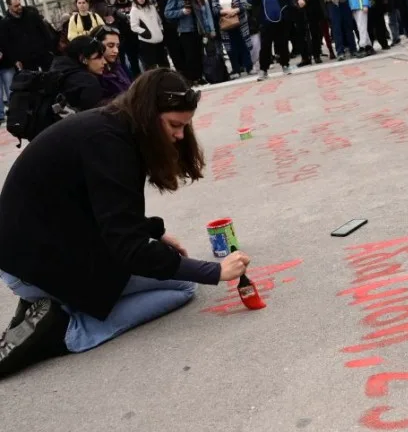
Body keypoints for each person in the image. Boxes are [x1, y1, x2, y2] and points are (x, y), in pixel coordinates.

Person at [0, 69, 252, 378]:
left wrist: (152, 234)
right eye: (175, 125)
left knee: (172, 275)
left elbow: (100, 208)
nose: (180, 136)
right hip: (35, 265)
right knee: (184, 286)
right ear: (149, 114)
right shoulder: (109, 142)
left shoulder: (113, 127)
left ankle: (47, 305)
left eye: (185, 126)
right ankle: (65, 329)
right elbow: (128, 248)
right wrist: (214, 271)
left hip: (37, 253)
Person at [247, 0, 292, 80]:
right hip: (264, 19)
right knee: (265, 45)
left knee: (282, 43)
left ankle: (285, 65)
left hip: (280, 16)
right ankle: (263, 70)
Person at [165, 0, 214, 86]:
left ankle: (199, 77)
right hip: (184, 31)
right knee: (190, 56)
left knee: (199, 54)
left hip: (197, 29)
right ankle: (192, 79)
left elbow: (201, 13)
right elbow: (167, 13)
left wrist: (207, 29)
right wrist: (181, 12)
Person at [211, 0, 254, 78]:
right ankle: (236, 70)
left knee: (243, 44)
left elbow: (245, 5)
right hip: (226, 24)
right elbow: (215, 10)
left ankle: (249, 67)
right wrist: (226, 12)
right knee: (231, 48)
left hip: (240, 22)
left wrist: (235, 10)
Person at [48, 35, 106, 111]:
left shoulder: (58, 69)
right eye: (98, 57)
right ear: (83, 59)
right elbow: (96, 117)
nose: (104, 62)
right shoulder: (88, 83)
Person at [286, 0, 323, 66]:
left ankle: (316, 55)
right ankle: (305, 58)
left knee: (315, 32)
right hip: (298, 9)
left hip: (311, 7)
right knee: (300, 33)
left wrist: (305, 0)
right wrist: (298, 0)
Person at [130, 0, 169, 69]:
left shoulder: (151, 7)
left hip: (159, 41)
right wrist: (145, 33)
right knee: (151, 68)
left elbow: (159, 21)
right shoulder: (134, 10)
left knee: (165, 65)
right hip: (147, 43)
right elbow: (134, 26)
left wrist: (161, 30)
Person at [92, 25, 132, 100]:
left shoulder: (116, 64)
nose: (116, 51)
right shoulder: (95, 75)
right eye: (110, 45)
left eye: (117, 46)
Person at [112, 0, 141, 76]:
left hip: (138, 36)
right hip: (125, 39)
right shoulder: (114, 8)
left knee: (145, 59)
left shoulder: (133, 4)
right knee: (133, 62)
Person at [157, 0, 183, 71]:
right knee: (175, 54)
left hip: (179, 28)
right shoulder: (160, 0)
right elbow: (164, 16)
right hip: (169, 32)